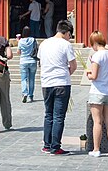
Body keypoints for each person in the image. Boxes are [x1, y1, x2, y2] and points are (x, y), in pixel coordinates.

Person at [38, 19, 76, 155]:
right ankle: (55, 146)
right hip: (61, 83)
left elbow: (41, 62)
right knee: (59, 116)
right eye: (70, 35)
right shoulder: (66, 45)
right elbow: (73, 65)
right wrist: (66, 73)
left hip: (46, 83)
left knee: (48, 115)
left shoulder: (44, 43)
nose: (70, 38)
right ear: (67, 33)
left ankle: (47, 145)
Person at [86, 30, 108, 157]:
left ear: (94, 43)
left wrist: (88, 73)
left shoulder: (97, 56)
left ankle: (96, 149)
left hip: (97, 91)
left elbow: (94, 76)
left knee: (97, 122)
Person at [18, 26, 38, 103]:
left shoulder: (20, 41)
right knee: (31, 79)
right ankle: (31, 95)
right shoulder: (33, 40)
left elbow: (18, 52)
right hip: (32, 61)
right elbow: (36, 49)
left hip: (23, 61)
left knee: (24, 79)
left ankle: (24, 93)